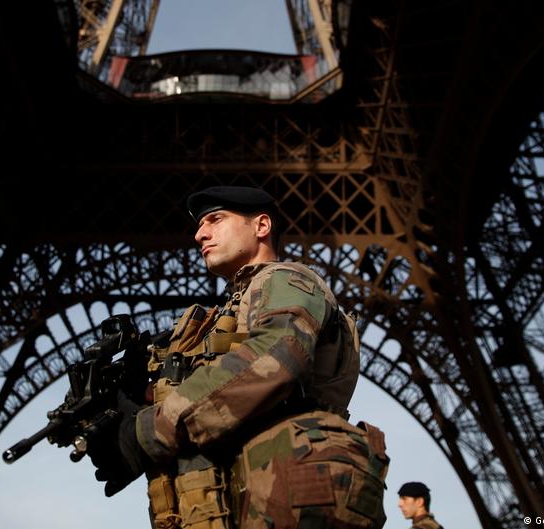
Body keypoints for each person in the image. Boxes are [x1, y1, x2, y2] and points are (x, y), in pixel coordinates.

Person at [89, 186, 390, 529]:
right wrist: (139, 401)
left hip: (287, 493)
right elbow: (222, 387)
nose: (200, 234)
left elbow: (274, 358)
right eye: (200, 225)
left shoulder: (286, 278)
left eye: (215, 219)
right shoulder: (233, 312)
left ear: (262, 226)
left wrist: (147, 431)